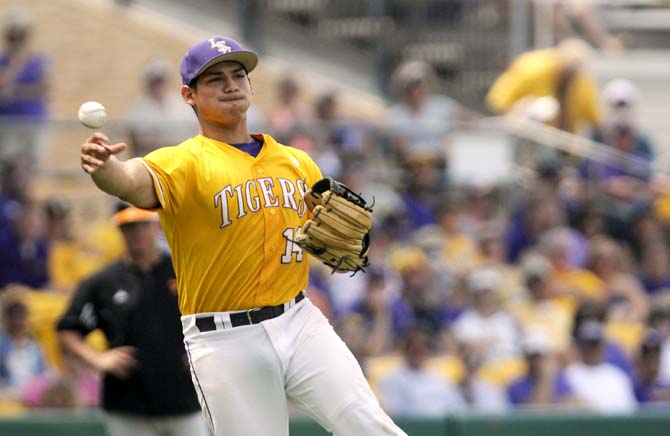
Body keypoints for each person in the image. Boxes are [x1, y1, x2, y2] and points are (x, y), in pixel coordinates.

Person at [77, 36, 407, 436]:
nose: (231, 85)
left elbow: (336, 234)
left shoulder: (296, 161)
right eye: (215, 79)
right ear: (189, 95)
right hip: (224, 339)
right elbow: (130, 181)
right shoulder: (183, 162)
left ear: (251, 86)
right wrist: (104, 168)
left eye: (238, 75)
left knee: (369, 425)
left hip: (299, 320)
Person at [56, 206, 208, 436]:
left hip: (184, 400)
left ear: (157, 226)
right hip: (128, 404)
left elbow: (213, 316)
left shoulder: (184, 271)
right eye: (129, 227)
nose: (137, 233)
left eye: (142, 225)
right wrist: (97, 360)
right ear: (120, 231)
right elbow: (68, 328)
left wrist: (203, 353)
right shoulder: (103, 282)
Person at [486, 38, 600, 135]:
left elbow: (594, 117)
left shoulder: (580, 82)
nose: (569, 76)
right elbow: (498, 100)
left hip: (562, 146)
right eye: (567, 70)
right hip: (527, 135)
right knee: (546, 106)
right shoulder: (531, 68)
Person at [0, 8, 50, 163]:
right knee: (8, 169)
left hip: (33, 121)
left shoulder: (38, 61)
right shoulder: (3, 61)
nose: (17, 42)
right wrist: (16, 63)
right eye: (13, 37)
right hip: (8, 124)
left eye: (20, 36)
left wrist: (15, 90)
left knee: (31, 169)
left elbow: (45, 88)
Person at [126, 59, 199, 157]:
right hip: (149, 162)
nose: (158, 87)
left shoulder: (182, 105)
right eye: (155, 83)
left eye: (161, 82)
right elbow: (139, 139)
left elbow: (193, 134)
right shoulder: (140, 108)